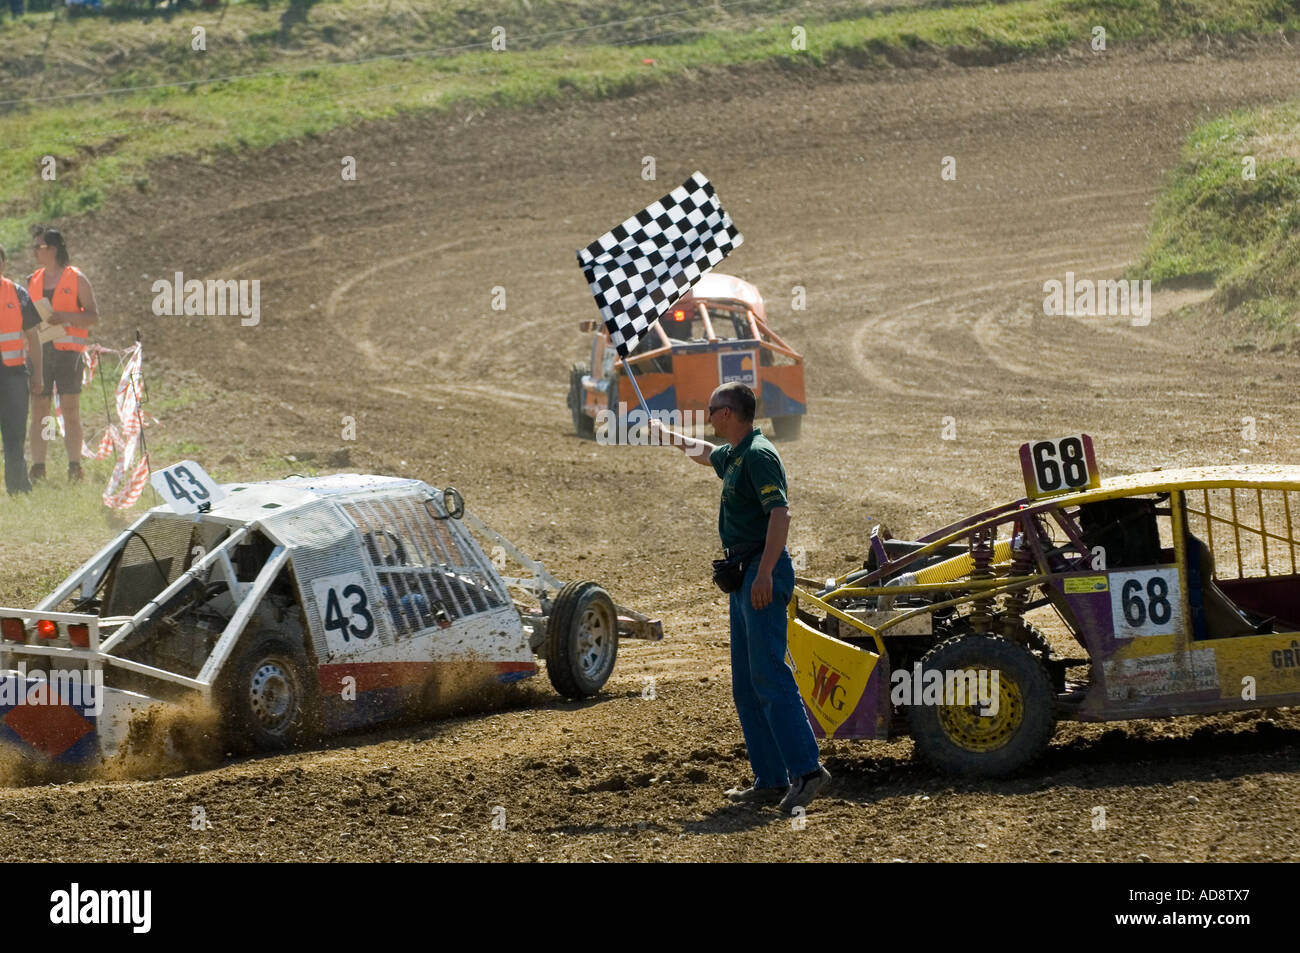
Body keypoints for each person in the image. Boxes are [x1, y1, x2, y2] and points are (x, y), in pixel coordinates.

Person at [651, 381, 831, 814]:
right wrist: (668, 436)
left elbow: (780, 514)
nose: (708, 416)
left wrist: (765, 572)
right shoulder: (735, 454)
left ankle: (807, 771)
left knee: (768, 674)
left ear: (728, 413)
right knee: (747, 683)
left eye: (711, 409)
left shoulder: (758, 455)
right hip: (745, 574)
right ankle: (770, 778)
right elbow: (700, 451)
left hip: (759, 572)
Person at [26, 226, 99, 483]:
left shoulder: (76, 278)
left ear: (53, 250)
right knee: (40, 410)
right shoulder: (32, 280)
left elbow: (93, 316)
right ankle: (38, 466)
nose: (34, 251)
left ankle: (74, 465)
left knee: (70, 409)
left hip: (69, 354)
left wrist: (65, 317)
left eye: (39, 247)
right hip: (40, 354)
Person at [0, 246, 43, 495]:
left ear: (3, 263)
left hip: (14, 374)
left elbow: (33, 338)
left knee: (14, 434)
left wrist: (38, 374)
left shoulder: (17, 293)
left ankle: (18, 489)